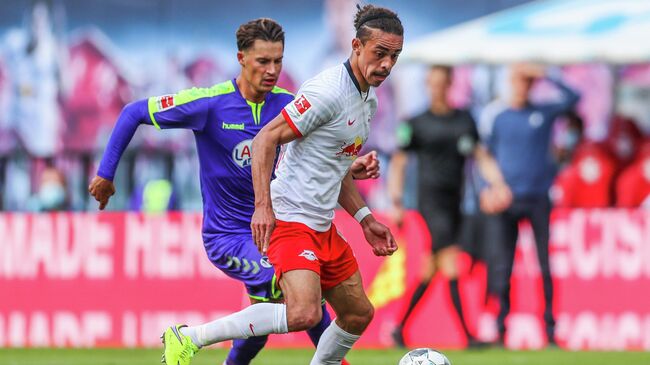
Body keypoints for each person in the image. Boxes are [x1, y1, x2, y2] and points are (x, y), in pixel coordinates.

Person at [89, 18, 379, 365]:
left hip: (279, 227)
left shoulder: (289, 104)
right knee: (300, 295)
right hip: (228, 234)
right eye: (263, 61)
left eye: (278, 61)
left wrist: (350, 167)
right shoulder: (210, 104)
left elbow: (314, 160)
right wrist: (105, 174)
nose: (272, 71)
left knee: (268, 318)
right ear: (241, 58)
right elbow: (133, 111)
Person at [153, 5, 403, 365]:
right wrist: (263, 206)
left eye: (394, 56)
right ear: (356, 46)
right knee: (304, 313)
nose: (387, 64)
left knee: (359, 313)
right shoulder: (327, 92)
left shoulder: (369, 100)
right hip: (290, 221)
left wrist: (365, 219)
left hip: (322, 225)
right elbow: (264, 141)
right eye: (380, 53)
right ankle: (190, 337)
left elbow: (338, 166)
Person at [388, 65, 511, 348]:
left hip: (455, 202)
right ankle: (467, 336)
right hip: (430, 203)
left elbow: (481, 156)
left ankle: (399, 328)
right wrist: (395, 201)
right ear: (428, 85)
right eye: (433, 83)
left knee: (431, 269)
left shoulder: (464, 120)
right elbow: (399, 162)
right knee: (452, 262)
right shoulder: (416, 123)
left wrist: (498, 184)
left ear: (450, 84)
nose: (437, 88)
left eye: (442, 83)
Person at [480, 63, 580, 347]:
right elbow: (483, 157)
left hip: (538, 198)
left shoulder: (543, 112)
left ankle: (549, 329)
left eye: (528, 81)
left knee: (545, 266)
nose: (523, 86)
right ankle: (501, 329)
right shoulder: (498, 116)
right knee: (503, 266)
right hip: (507, 200)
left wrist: (546, 75)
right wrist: (489, 189)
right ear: (511, 82)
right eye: (519, 80)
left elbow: (574, 99)